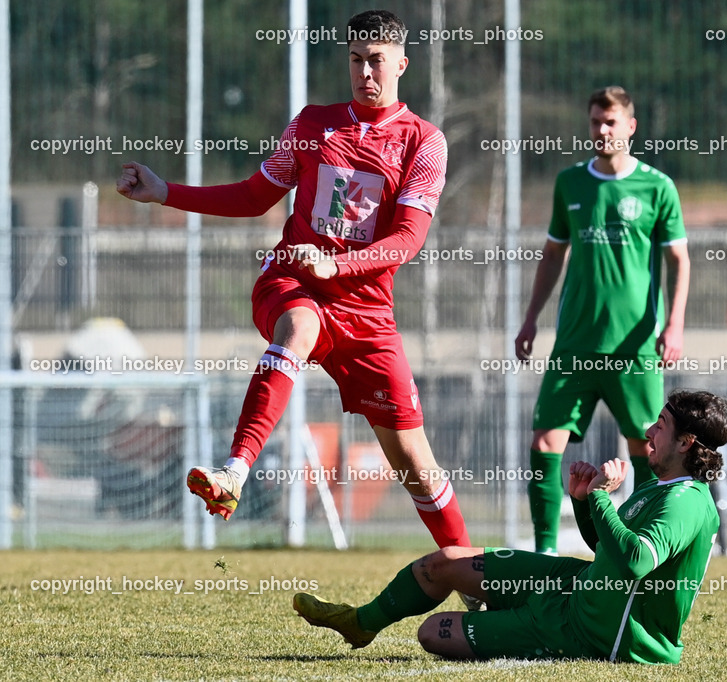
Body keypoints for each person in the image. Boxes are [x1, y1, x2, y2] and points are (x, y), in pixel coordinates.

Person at [115, 10, 470, 550]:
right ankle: (233, 473)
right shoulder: (311, 125)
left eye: (376, 60)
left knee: (416, 463)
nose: (365, 72)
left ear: (402, 63)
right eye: (355, 59)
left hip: (366, 310)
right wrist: (167, 192)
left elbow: (407, 240)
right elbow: (254, 195)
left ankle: (474, 580)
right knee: (299, 328)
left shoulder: (424, 142)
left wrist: (341, 265)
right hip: (292, 283)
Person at [294, 389, 727, 664]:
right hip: (575, 587)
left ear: (685, 442)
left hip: (596, 635)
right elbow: (608, 551)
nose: (647, 432)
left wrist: (602, 496)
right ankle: (360, 622)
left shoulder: (686, 502)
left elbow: (635, 561)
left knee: (431, 633)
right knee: (444, 563)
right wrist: (585, 503)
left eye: (660, 426)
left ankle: (511, 622)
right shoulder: (661, 486)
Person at [514, 86, 690, 554]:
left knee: (648, 449)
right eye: (595, 122)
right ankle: (544, 552)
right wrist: (531, 318)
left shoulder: (657, 186)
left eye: (611, 122)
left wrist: (674, 324)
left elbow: (679, 260)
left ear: (631, 127)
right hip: (574, 344)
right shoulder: (570, 183)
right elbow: (553, 255)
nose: (602, 130)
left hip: (635, 348)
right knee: (545, 443)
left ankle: (640, 550)